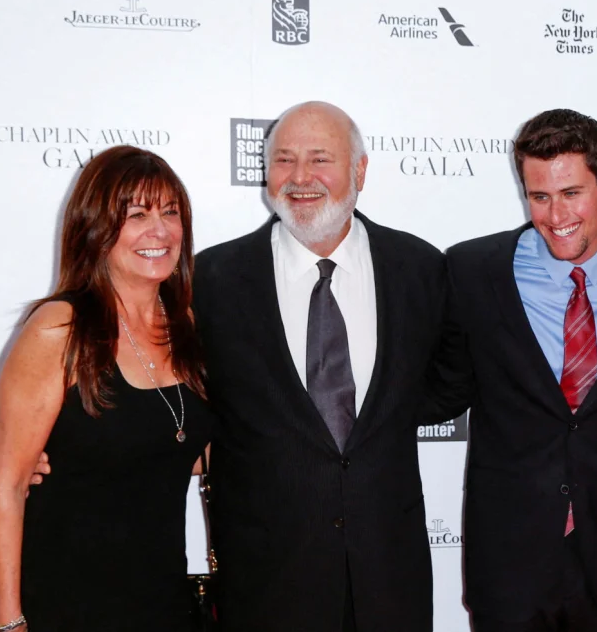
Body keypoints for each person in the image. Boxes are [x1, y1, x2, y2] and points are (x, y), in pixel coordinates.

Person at [425, 108, 597, 631]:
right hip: (508, 550)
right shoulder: (474, 270)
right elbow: (445, 386)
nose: (555, 214)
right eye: (539, 195)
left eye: (571, 193)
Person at [188, 101, 443, 631]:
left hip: (390, 581)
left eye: (320, 159)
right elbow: (169, 397)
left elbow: (448, 384)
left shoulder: (419, 269)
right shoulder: (211, 279)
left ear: (360, 171)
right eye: (284, 160)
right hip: (266, 583)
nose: (300, 178)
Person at [0, 145, 213, 632]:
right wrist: (7, 623)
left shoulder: (189, 328)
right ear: (96, 227)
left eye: (171, 212)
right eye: (137, 214)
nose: (160, 230)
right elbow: (5, 484)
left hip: (164, 603)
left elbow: (187, 449)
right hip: (68, 604)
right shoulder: (60, 329)